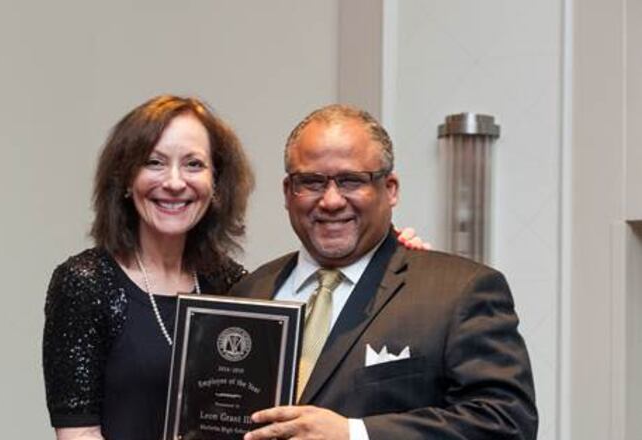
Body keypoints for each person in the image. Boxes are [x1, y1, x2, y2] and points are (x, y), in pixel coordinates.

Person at [230, 104, 537, 439]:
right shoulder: (249, 292)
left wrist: (355, 434)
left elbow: (506, 422)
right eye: (312, 182)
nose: (331, 200)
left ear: (390, 189)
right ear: (289, 193)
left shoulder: (460, 292)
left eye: (351, 181)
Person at [42, 95, 254, 440]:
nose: (173, 182)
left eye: (194, 164)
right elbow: (78, 435)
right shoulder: (85, 283)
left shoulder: (233, 285)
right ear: (126, 179)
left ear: (216, 183)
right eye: (154, 162)